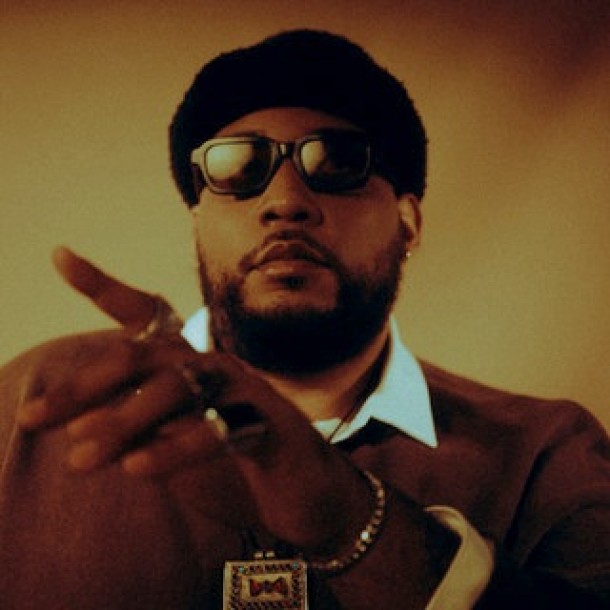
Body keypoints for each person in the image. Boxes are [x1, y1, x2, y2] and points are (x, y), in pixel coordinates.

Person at [0, 29, 608, 610]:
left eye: (338, 162)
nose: (285, 202)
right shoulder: (33, 402)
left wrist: (348, 518)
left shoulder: (544, 456)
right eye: (239, 168)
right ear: (197, 224)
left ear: (408, 224)